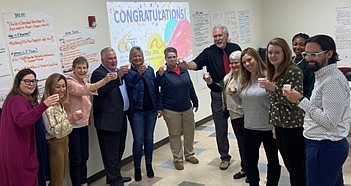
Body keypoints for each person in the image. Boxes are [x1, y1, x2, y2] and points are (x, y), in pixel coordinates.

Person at [284, 34, 350, 186]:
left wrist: (300, 100)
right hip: (322, 145)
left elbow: (330, 122)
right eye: (307, 54)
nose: (308, 58)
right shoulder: (322, 76)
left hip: (325, 147)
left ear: (329, 54)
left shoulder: (332, 80)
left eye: (314, 54)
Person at [180, 25, 241, 170]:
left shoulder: (235, 48)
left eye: (220, 35)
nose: (218, 38)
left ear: (226, 36)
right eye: (215, 36)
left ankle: (245, 157)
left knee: (240, 128)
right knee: (220, 129)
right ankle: (224, 157)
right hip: (218, 94)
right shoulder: (209, 52)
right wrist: (185, 65)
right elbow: (196, 64)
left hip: (235, 93)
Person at [0, 69, 58, 186]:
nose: (31, 84)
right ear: (18, 83)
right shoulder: (17, 100)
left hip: (18, 150)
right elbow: (23, 120)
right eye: (27, 81)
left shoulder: (21, 98)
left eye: (33, 81)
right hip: (19, 152)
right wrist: (44, 105)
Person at [260, 38, 306, 186]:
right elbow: (274, 102)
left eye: (277, 52)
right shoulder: (273, 70)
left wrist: (274, 88)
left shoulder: (293, 71)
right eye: (270, 52)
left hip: (292, 125)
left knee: (296, 166)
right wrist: (274, 126)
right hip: (280, 124)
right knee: (289, 163)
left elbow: (294, 100)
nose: (272, 56)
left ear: (285, 53)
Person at [64, 56, 116, 186]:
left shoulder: (83, 80)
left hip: (83, 124)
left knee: (84, 157)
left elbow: (90, 88)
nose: (82, 70)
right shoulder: (69, 82)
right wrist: (104, 80)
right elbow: (84, 90)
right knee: (76, 159)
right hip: (73, 126)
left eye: (84, 67)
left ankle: (83, 182)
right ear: (73, 69)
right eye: (79, 68)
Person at [238, 47, 281, 186]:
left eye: (249, 60)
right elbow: (241, 103)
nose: (247, 64)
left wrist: (276, 126)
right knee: (250, 161)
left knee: (273, 160)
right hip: (250, 126)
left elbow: (277, 102)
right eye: (244, 62)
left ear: (256, 58)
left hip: (268, 128)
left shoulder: (269, 75)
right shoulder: (244, 79)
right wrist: (233, 95)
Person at [91, 47, 131, 186]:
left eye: (114, 58)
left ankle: (114, 176)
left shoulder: (116, 71)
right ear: (102, 60)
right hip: (107, 122)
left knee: (119, 149)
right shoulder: (98, 74)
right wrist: (119, 76)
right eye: (110, 58)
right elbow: (103, 88)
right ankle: (115, 180)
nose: (113, 61)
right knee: (110, 153)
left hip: (120, 118)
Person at [203, 51, 246, 180]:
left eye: (236, 62)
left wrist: (237, 92)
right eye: (231, 63)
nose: (233, 65)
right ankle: (245, 168)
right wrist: (210, 82)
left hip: (246, 114)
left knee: (248, 143)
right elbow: (218, 88)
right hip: (234, 115)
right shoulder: (228, 77)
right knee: (241, 143)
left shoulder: (248, 77)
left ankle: (251, 169)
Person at [156, 47, 199, 170]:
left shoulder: (184, 70)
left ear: (177, 57)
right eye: (169, 57)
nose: (172, 59)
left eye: (174, 56)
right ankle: (177, 159)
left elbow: (190, 86)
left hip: (186, 107)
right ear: (165, 59)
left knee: (189, 131)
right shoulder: (162, 73)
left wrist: (195, 100)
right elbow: (157, 90)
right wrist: (160, 107)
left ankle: (189, 154)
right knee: (175, 134)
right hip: (171, 110)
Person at [124, 46, 162, 181]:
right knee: (138, 141)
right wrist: (139, 74)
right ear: (131, 58)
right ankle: (137, 168)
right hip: (137, 113)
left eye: (139, 56)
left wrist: (159, 107)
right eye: (134, 56)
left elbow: (155, 89)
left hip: (151, 111)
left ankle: (149, 165)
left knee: (149, 139)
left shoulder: (150, 70)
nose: (137, 58)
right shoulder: (128, 73)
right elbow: (131, 84)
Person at [42, 73, 80, 186]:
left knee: (61, 176)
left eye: (63, 86)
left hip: (64, 141)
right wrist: (70, 120)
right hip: (55, 144)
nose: (62, 89)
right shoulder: (47, 106)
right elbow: (52, 131)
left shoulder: (59, 103)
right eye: (58, 87)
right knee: (56, 179)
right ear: (50, 87)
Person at [292, 33, 314, 99]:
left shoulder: (310, 62)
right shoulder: (289, 60)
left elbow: (311, 86)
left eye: (302, 45)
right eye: (295, 44)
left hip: (304, 99)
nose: (298, 47)